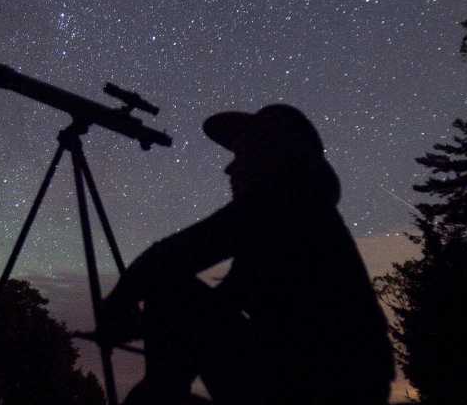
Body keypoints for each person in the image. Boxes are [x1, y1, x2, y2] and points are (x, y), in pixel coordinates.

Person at [102, 104, 394, 404]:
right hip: (332, 381)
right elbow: (223, 303)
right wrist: (156, 331)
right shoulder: (302, 213)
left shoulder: (280, 203)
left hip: (322, 386)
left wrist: (117, 307)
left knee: (169, 292)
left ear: (274, 155)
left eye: (243, 154)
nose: (230, 168)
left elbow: (170, 257)